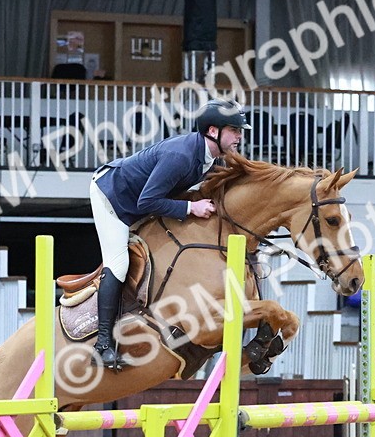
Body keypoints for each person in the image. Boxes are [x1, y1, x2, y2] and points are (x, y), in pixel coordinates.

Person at [89, 98, 252, 369]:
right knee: (118, 264)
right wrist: (191, 207)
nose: (239, 136)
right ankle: (102, 344)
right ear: (213, 131)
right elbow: (146, 202)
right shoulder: (181, 156)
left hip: (140, 198)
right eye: (235, 130)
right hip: (113, 198)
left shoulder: (210, 157)